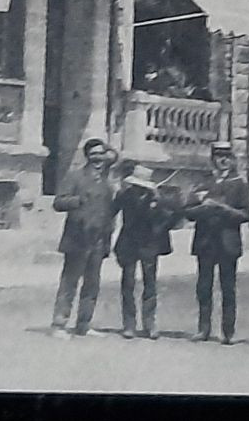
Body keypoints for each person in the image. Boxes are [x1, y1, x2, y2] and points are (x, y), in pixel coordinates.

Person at [184, 140, 249, 344]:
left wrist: (223, 209)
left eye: (227, 156)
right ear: (212, 159)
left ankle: (228, 331)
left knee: (228, 287)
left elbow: (246, 214)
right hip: (205, 241)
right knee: (203, 286)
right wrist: (204, 208)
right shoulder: (203, 182)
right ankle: (203, 329)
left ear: (232, 160)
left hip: (228, 242)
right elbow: (187, 212)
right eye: (219, 156)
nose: (223, 160)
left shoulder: (239, 184)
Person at [49, 138, 118, 338]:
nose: (98, 158)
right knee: (69, 282)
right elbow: (58, 202)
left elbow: (116, 157)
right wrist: (77, 200)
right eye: (94, 154)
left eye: (101, 154)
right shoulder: (75, 177)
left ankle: (84, 324)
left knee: (92, 284)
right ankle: (59, 324)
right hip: (77, 238)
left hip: (98, 239)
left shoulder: (107, 181)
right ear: (87, 156)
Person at [113, 164, 185, 340]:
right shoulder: (125, 196)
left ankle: (149, 323)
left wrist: (159, 203)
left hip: (150, 244)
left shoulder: (158, 199)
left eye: (142, 186)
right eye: (136, 186)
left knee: (150, 284)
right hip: (129, 243)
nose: (138, 189)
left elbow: (175, 216)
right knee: (128, 283)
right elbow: (111, 210)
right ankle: (129, 324)